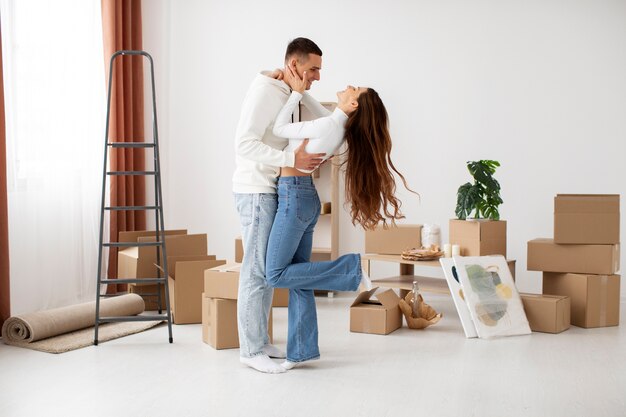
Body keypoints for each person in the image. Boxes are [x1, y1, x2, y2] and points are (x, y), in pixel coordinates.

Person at [265, 64, 414, 370]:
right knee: (300, 278)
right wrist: (301, 88)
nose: (348, 85)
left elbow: (279, 128)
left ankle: (351, 269)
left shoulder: (329, 127)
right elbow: (317, 107)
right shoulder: (335, 124)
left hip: (294, 196)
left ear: (353, 104)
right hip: (302, 196)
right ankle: (301, 351)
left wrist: (294, 93)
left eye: (354, 88)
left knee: (274, 274)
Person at [232, 37, 331, 374]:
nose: (317, 75)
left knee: (266, 269)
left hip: (272, 189)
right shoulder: (266, 90)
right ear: (293, 65)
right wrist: (291, 157)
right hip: (256, 190)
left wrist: (300, 90)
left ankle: (259, 342)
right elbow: (244, 142)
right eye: (312, 69)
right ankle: (250, 349)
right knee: (257, 270)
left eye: (319, 69)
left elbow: (321, 115)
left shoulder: (286, 90)